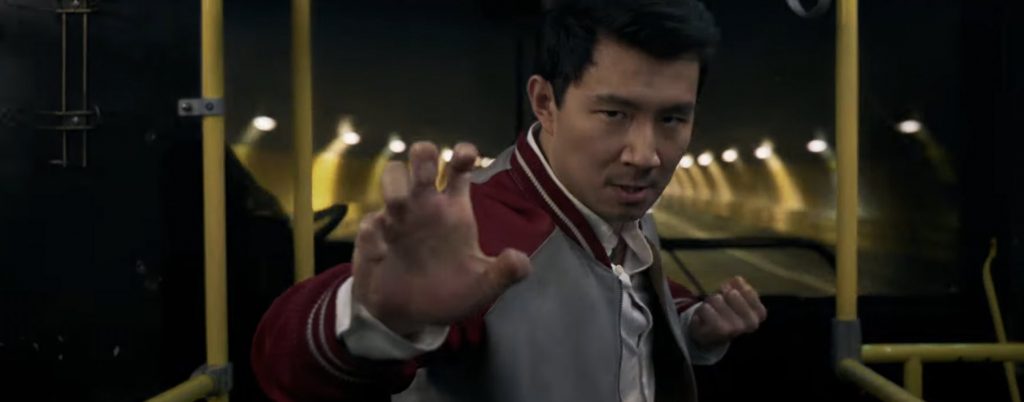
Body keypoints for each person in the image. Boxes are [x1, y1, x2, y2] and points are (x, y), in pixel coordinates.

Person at [252, 1, 767, 401]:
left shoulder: (612, 205)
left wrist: (691, 323)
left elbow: (617, 287)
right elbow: (283, 363)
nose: (646, 155)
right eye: (614, 114)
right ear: (545, 103)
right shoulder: (481, 234)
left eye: (672, 119)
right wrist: (376, 318)